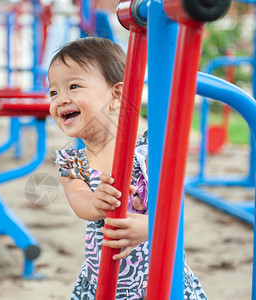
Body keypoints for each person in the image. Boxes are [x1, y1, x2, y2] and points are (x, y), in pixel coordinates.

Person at [49, 36, 206, 299]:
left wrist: (149, 228)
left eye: (73, 86)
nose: (61, 99)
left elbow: (172, 209)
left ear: (117, 94)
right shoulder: (72, 162)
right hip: (104, 284)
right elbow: (78, 200)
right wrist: (95, 203)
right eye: (53, 92)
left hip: (160, 282)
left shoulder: (148, 150)